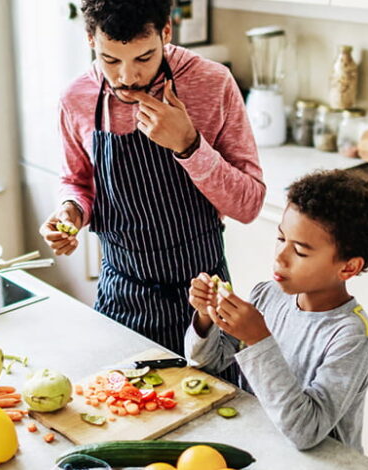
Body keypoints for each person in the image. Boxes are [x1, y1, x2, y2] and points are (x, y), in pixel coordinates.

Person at [38, 0, 265, 359]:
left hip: (204, 302)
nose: (127, 77)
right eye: (110, 60)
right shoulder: (76, 98)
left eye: (143, 58)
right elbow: (77, 181)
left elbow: (249, 205)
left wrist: (189, 145)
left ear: (166, 33)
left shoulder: (212, 83)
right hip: (121, 297)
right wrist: (71, 212)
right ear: (90, 39)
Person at [185, 169, 368, 451]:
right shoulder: (267, 296)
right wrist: (206, 317)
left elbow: (306, 431)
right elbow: (207, 365)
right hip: (261, 447)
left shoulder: (353, 338)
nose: (280, 258)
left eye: (301, 251)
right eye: (282, 239)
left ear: (348, 267)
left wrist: (259, 339)